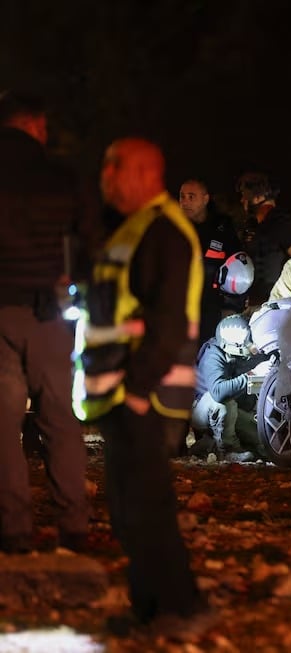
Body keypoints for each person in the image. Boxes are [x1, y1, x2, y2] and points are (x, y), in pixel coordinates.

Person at [78, 137, 213, 639]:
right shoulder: (133, 229)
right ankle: (150, 607)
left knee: (147, 506)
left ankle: (182, 606)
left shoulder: (163, 232)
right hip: (124, 393)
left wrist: (136, 388)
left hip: (146, 395)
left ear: (143, 173)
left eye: (114, 169)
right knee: (126, 506)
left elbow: (169, 323)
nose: (105, 179)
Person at [0, 91, 99, 554]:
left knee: (2, 425)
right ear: (36, 124)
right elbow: (90, 242)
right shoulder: (60, 177)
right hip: (47, 314)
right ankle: (73, 528)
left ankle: (14, 530)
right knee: (58, 419)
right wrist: (74, 279)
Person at [190, 314, 268, 462]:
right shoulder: (213, 355)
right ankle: (227, 449)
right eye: (249, 346)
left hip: (232, 411)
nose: (253, 349)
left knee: (262, 440)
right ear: (234, 346)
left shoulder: (236, 354)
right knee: (223, 402)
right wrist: (252, 374)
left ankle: (208, 444)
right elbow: (219, 392)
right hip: (202, 409)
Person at [179, 178, 243, 348]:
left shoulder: (222, 228)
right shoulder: (174, 227)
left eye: (191, 197)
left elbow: (239, 269)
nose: (185, 202)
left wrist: (231, 307)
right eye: (182, 197)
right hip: (180, 306)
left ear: (205, 199)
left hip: (212, 305)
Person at [236, 171, 291, 307]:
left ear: (258, 196)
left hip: (278, 306)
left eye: (244, 195)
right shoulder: (253, 226)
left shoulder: (282, 223)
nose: (242, 200)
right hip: (254, 304)